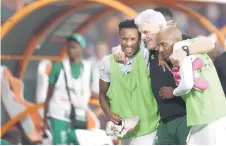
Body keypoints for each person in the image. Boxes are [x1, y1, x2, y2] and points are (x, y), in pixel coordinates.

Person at [113, 8, 215, 145]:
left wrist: (185, 51)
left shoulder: (177, 41)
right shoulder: (147, 50)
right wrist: (118, 49)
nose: (142, 37)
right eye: (141, 33)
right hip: (164, 121)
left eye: (146, 32)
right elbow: (121, 49)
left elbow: (209, 43)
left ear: (160, 28)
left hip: (186, 117)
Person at [156, 25, 226, 145]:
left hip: (206, 116)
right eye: (159, 46)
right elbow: (209, 42)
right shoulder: (192, 46)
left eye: (164, 44)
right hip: (213, 113)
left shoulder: (182, 54)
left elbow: (187, 85)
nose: (160, 50)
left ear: (176, 42)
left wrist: (173, 92)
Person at [99, 19, 159, 145]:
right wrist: (108, 114)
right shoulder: (107, 62)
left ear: (139, 39)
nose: (128, 43)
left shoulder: (146, 56)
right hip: (124, 131)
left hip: (150, 127)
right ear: (119, 37)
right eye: (124, 39)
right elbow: (102, 94)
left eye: (133, 39)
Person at [44, 33, 92, 145]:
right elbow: (49, 94)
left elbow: (87, 90)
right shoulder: (58, 67)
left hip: (78, 116)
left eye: (74, 47)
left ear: (81, 49)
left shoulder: (87, 68)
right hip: (58, 115)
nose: (70, 50)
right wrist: (45, 118)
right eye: (69, 47)